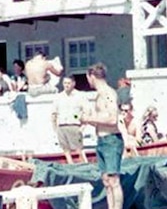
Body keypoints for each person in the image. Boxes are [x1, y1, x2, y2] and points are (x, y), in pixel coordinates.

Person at [81, 63, 123, 209]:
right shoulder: (100, 95)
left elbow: (112, 119)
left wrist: (88, 119)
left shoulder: (109, 94)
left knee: (114, 180)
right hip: (101, 140)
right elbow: (102, 122)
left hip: (111, 140)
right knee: (106, 180)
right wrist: (86, 119)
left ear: (91, 76)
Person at [51, 76, 88, 164]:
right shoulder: (58, 97)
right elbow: (54, 113)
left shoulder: (80, 96)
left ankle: (84, 165)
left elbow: (87, 111)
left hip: (74, 125)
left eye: (68, 83)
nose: (66, 85)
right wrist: (55, 128)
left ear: (73, 84)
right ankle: (70, 165)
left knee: (79, 150)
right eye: (65, 83)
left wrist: (83, 126)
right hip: (62, 126)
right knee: (66, 150)